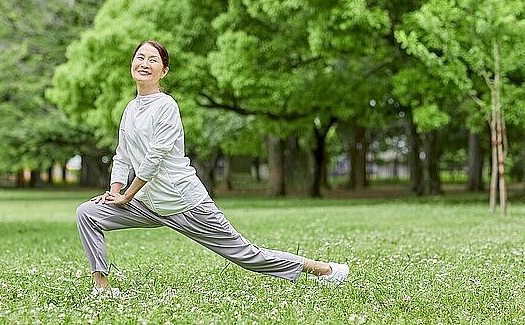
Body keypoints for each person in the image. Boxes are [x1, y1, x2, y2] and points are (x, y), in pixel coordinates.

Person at [76, 40, 349, 296]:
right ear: (132, 64)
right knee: (88, 213)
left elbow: (153, 160)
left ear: (164, 71)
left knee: (247, 255)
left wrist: (127, 195)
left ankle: (327, 270)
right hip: (147, 203)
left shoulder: (166, 106)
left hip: (184, 202)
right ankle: (102, 288)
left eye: (153, 60)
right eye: (140, 57)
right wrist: (115, 191)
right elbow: (122, 155)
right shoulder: (131, 109)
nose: (144, 63)